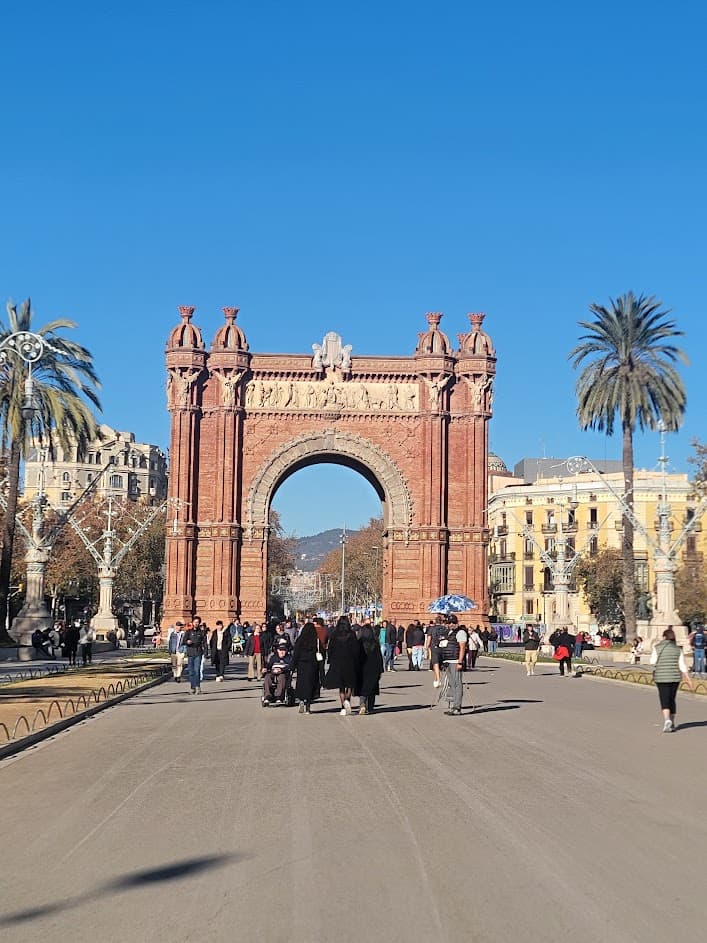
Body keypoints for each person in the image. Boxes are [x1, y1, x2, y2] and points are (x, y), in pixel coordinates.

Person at [650, 626, 694, 732]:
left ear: (664, 637)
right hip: (674, 677)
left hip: (661, 677)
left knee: (664, 699)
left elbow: (652, 661)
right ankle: (672, 722)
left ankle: (667, 720)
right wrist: (689, 680)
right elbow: (682, 665)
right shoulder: (677, 649)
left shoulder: (657, 647)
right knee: (672, 699)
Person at [324, 616, 360, 715]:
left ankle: (343, 706)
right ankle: (348, 699)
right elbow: (356, 649)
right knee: (350, 683)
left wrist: (330, 660)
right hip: (350, 661)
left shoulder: (334, 634)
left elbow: (330, 648)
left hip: (337, 662)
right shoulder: (352, 634)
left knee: (341, 686)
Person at [438, 619, 467, 715]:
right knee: (451, 684)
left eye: (453, 623)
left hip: (455, 661)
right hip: (447, 661)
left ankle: (457, 707)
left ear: (457, 623)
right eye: (449, 623)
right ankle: (453, 706)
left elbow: (462, 647)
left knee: (457, 684)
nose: (451, 624)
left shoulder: (460, 632)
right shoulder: (447, 633)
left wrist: (460, 662)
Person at [291, 622, 320, 713]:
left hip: (301, 664)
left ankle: (301, 701)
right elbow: (318, 652)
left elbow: (296, 654)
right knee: (310, 684)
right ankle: (308, 706)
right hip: (312, 664)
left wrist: (293, 665)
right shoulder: (314, 640)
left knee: (301, 683)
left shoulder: (300, 640)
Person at [357, 623, 384, 714]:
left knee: (362, 686)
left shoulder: (359, 642)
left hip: (361, 667)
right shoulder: (375, 642)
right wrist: (381, 669)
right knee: (372, 686)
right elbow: (379, 657)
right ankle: (370, 706)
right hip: (374, 667)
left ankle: (362, 704)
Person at [183, 618, 208, 694]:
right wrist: (187, 642)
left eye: (197, 622)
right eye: (195, 622)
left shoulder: (202, 632)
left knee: (197, 670)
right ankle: (192, 687)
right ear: (192, 623)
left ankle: (197, 686)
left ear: (199, 623)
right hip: (190, 653)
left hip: (198, 653)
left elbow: (204, 643)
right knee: (191, 671)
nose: (196, 623)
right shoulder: (188, 632)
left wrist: (206, 653)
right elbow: (184, 641)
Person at [425, 618, 444, 688]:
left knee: (435, 664)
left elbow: (429, 638)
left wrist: (426, 647)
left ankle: (438, 680)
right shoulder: (444, 628)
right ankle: (436, 679)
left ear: (435, 622)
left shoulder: (432, 629)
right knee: (439, 664)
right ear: (441, 621)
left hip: (434, 648)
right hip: (443, 647)